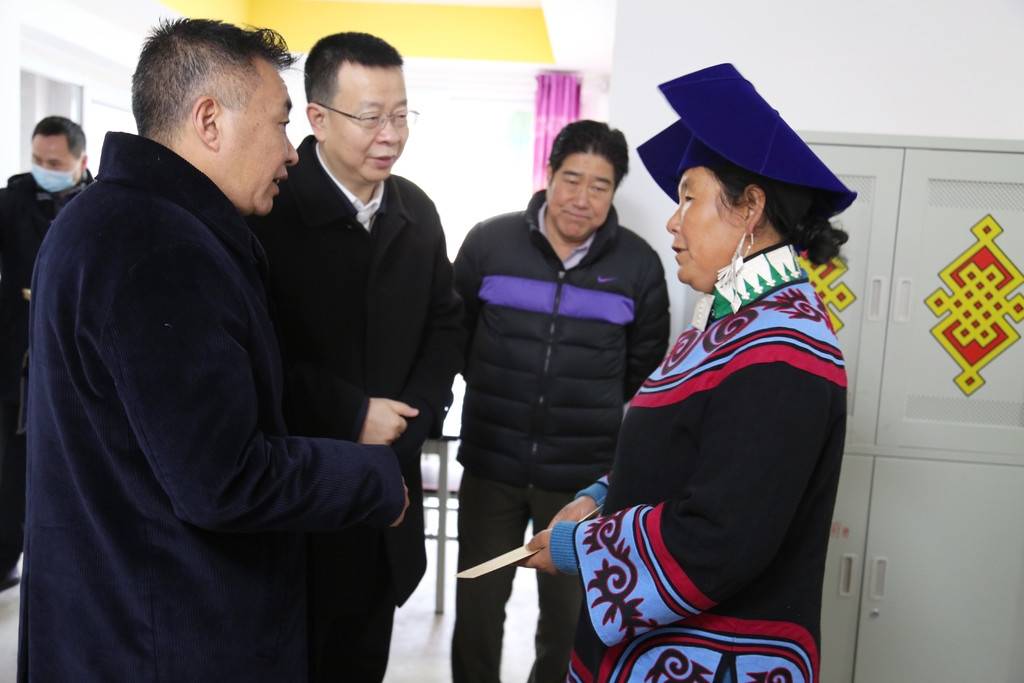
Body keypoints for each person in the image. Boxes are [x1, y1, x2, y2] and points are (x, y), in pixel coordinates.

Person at [18, 19, 409, 681]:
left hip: (105, 620)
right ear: (209, 121)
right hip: (164, 639)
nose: (290, 152)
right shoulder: (161, 246)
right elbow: (223, 479)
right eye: (280, 123)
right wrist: (371, 479)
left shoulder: (100, 216)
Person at [523, 63, 856, 683]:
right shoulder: (734, 322)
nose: (673, 222)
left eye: (687, 198)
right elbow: (684, 455)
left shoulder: (785, 350)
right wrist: (600, 497)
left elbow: (720, 537)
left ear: (749, 208)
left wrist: (581, 549)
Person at [248, 32, 464, 682]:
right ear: (316, 118)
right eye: (370, 117)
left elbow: (445, 322)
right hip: (293, 498)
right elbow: (255, 350)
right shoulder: (268, 207)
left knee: (362, 654)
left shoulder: (415, 210)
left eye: (401, 114)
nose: (390, 135)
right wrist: (350, 413)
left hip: (385, 494)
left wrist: (413, 416)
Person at [451, 119, 670, 683]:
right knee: (478, 612)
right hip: (492, 464)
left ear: (614, 192)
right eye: (572, 179)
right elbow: (456, 335)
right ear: (548, 174)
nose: (582, 198)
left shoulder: (639, 266)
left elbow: (644, 369)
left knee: (570, 625)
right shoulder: (490, 243)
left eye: (600, 186)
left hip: (580, 480)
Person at [0, 116, 92, 593]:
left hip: (76, 368)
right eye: (37, 160)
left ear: (81, 161)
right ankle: (5, 561)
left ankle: (71, 570)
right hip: (16, 366)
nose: (43, 170)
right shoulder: (12, 202)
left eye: (54, 164)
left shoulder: (101, 205)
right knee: (11, 475)